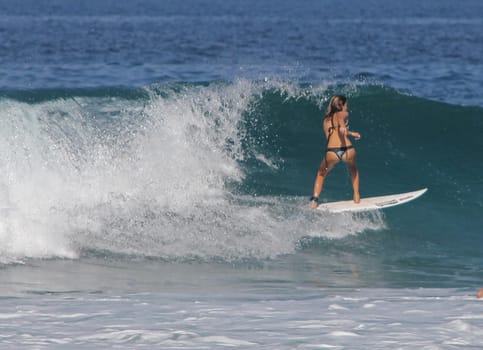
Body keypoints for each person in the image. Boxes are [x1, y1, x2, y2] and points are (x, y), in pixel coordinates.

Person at [310, 95, 361, 208]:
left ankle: (314, 200)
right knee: (353, 169)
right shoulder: (342, 113)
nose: (347, 107)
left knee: (321, 174)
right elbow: (341, 118)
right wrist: (343, 126)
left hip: (332, 152)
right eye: (346, 104)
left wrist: (352, 133)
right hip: (348, 149)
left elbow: (335, 130)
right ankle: (356, 196)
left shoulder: (326, 120)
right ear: (341, 105)